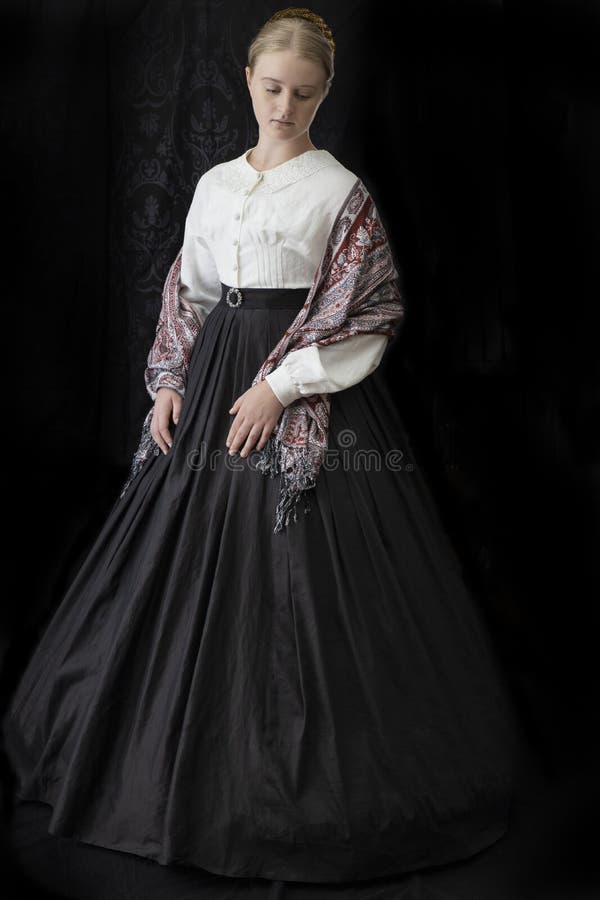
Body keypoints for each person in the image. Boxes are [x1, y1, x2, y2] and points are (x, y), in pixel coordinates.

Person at [1, 6, 518, 885]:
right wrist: (168, 380)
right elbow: (189, 292)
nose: (286, 108)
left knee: (305, 574)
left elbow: (372, 310)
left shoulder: (339, 190)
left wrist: (280, 387)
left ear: (325, 93)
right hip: (211, 386)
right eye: (273, 88)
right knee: (173, 558)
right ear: (248, 80)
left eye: (305, 94)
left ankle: (295, 778)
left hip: (305, 385)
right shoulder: (210, 186)